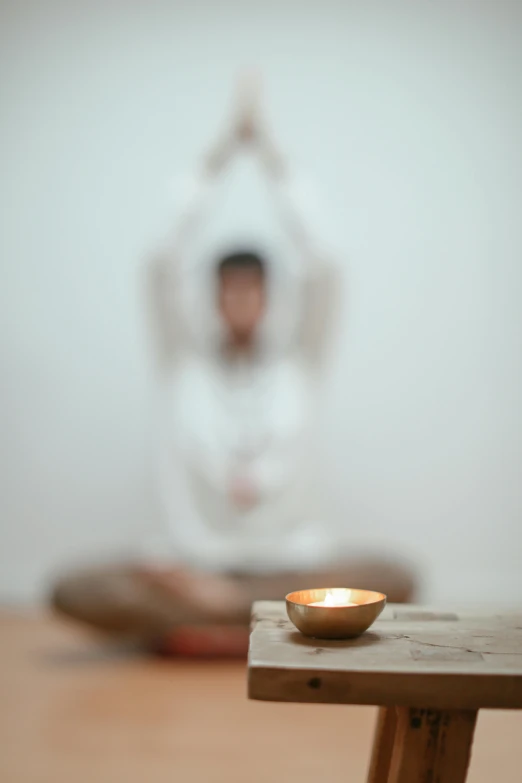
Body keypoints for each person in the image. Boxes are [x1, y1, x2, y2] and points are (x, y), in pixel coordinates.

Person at [51, 83, 415, 655]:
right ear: (215, 298)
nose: (241, 305)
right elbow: (160, 262)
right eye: (230, 293)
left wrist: (272, 158)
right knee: (73, 588)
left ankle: (213, 620)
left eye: (253, 293)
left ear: (268, 300)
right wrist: (219, 155)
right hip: (191, 567)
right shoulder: (184, 363)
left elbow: (326, 265)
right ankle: (251, 625)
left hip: (286, 568)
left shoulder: (299, 362)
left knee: (394, 574)